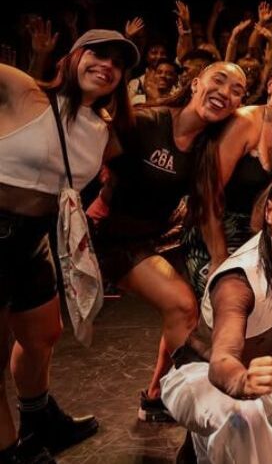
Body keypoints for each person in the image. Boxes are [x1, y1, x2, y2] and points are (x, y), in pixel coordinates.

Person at [0, 30, 137, 463]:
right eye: (98, 53)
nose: (107, 65)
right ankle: (12, 453)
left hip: (34, 240)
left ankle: (39, 420)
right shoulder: (26, 92)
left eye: (118, 62)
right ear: (73, 57)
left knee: (43, 334)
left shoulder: (103, 129)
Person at [91, 62, 248, 423]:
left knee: (187, 309)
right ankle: (184, 396)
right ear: (196, 84)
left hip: (156, 238)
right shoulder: (148, 122)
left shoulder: (207, 147)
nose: (225, 92)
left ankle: (156, 396)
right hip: (113, 238)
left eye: (237, 90)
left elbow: (208, 211)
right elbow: (89, 156)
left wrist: (220, 264)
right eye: (219, 80)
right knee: (181, 304)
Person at [159, 169, 272, 464]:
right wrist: (242, 381)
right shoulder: (238, 281)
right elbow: (222, 360)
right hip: (203, 377)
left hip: (264, 382)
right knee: (245, 417)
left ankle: (198, 449)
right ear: (269, 213)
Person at [180, 50, 272, 299]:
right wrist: (219, 257)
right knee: (236, 299)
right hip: (212, 234)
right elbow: (206, 196)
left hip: (261, 235)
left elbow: (270, 206)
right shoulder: (245, 121)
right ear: (270, 84)